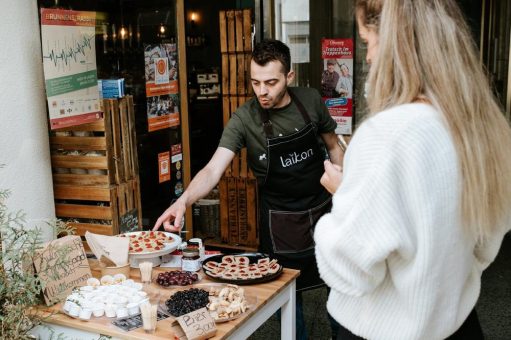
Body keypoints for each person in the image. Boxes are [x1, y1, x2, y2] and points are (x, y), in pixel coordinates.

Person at [314, 0, 511, 339]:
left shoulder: (386, 134)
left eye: (368, 42)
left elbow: (351, 270)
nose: (370, 57)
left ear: (394, 42)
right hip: (459, 326)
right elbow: (487, 243)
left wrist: (345, 194)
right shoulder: (483, 127)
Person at [154, 39, 344, 339]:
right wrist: (184, 201)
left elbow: (334, 146)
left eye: (270, 82)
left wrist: (347, 194)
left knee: (340, 290)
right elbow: (213, 169)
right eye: (255, 82)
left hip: (324, 212)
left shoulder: (310, 101)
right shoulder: (245, 119)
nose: (262, 91)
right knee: (289, 298)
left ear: (289, 77)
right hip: (280, 222)